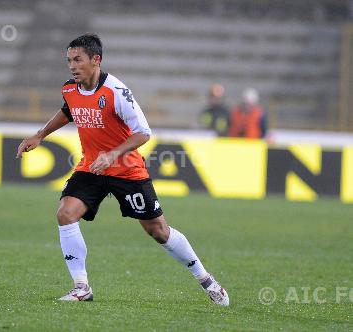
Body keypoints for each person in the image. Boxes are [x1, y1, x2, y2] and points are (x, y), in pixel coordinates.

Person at [16, 34, 229, 306]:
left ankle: (206, 280)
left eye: (78, 59)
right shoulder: (70, 88)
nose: (72, 65)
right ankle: (81, 287)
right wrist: (41, 134)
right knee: (66, 214)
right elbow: (68, 110)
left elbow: (143, 133)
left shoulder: (116, 92)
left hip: (127, 170)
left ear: (96, 60)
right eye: (69, 60)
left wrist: (113, 154)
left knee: (158, 231)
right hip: (92, 167)